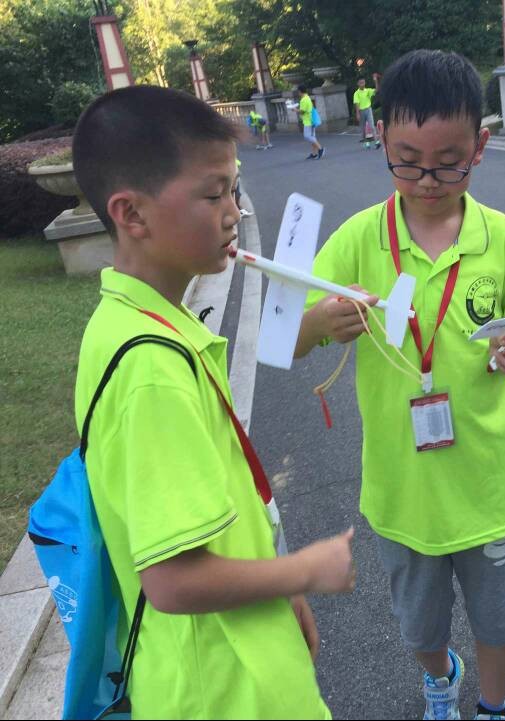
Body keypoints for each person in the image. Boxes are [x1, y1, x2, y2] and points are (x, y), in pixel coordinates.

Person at [71, 85, 355, 719]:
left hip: (235, 660)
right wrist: (305, 571)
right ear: (132, 214)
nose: (233, 211)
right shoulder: (150, 368)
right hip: (222, 691)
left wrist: (278, 592)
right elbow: (171, 580)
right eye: (212, 193)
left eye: (234, 188)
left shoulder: (132, 324)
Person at [295, 50, 505, 721]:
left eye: (448, 160)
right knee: (419, 626)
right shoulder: (355, 242)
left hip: (486, 479)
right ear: (380, 141)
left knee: (498, 617)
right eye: (407, 159)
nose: (428, 178)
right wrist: (322, 320)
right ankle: (442, 680)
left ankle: (493, 704)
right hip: (401, 488)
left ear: (481, 147)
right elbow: (284, 341)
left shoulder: (503, 242)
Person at [296, 85, 324, 160]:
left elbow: (302, 111)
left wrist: (295, 110)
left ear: (299, 91)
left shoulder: (303, 100)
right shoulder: (307, 97)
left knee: (307, 136)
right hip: (310, 120)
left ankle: (320, 148)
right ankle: (314, 153)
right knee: (312, 137)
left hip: (308, 121)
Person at [354, 73, 381, 147]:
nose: (362, 84)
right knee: (363, 129)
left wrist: (375, 81)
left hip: (368, 109)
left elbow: (376, 90)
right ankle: (366, 142)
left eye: (363, 82)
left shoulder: (367, 90)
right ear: (358, 84)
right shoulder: (356, 93)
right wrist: (357, 114)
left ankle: (377, 142)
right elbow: (357, 104)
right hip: (361, 111)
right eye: (361, 83)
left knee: (372, 126)